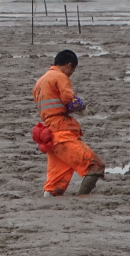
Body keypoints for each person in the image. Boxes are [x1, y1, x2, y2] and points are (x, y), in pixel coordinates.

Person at [32, 49, 105, 196]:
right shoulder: (60, 76)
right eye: (73, 70)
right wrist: (82, 105)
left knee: (54, 185)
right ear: (69, 65)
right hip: (62, 132)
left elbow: (52, 105)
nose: (72, 73)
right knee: (95, 166)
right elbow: (69, 99)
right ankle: (82, 200)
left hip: (50, 134)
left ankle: (49, 206)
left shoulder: (39, 82)